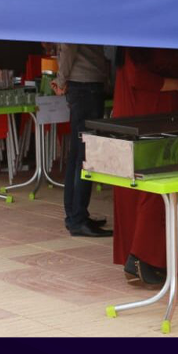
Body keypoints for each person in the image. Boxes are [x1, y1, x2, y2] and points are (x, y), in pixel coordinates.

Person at [111, 48, 178, 284]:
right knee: (154, 189)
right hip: (147, 120)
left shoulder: (140, 41)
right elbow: (138, 77)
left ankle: (144, 259)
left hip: (150, 118)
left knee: (144, 191)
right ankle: (141, 258)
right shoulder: (138, 43)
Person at [51, 43, 112, 237]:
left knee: (77, 153)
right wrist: (61, 80)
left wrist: (63, 79)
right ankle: (78, 218)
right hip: (86, 84)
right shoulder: (75, 22)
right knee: (85, 155)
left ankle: (74, 215)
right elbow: (69, 45)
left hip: (81, 84)